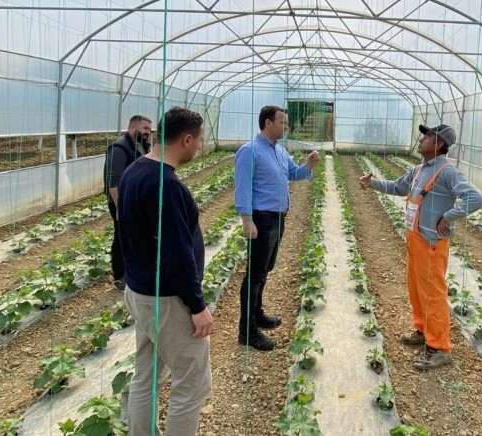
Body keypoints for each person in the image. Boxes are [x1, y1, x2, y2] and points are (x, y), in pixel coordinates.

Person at [359, 124, 482, 370]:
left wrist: (448, 217)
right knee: (416, 289)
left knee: (432, 294)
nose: (421, 139)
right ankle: (423, 330)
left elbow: (476, 198)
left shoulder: (448, 172)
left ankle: (439, 348)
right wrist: (371, 183)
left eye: (427, 136)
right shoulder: (419, 170)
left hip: (431, 243)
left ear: (439, 144)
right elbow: (398, 187)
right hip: (414, 240)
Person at [118, 107, 212, 435]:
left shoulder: (134, 171)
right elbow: (176, 255)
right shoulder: (167, 186)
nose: (199, 146)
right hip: (166, 301)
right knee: (192, 384)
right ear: (186, 140)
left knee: (147, 376)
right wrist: (197, 306)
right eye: (199, 140)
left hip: (140, 293)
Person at [234, 105, 320, 351]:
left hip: (278, 219)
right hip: (261, 219)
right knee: (255, 274)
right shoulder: (249, 151)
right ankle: (247, 331)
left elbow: (293, 174)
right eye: (283, 123)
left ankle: (257, 314)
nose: (287, 127)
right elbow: (242, 187)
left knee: (265, 270)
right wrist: (247, 220)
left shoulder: (280, 151)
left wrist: (308, 165)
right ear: (268, 123)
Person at [103, 114, 152, 290]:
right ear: (133, 127)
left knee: (134, 236)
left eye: (149, 129)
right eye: (145, 128)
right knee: (121, 238)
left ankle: (133, 272)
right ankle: (120, 277)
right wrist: (121, 208)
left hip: (135, 202)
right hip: (121, 202)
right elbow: (113, 182)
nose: (148, 132)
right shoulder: (119, 148)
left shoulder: (140, 146)